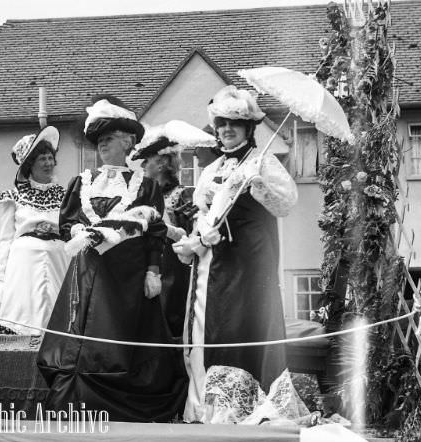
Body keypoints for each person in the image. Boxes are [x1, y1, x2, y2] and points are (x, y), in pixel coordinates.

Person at [36, 96, 188, 422]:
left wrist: (153, 271)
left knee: (123, 340)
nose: (103, 143)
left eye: (110, 136)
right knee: (79, 338)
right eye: (99, 138)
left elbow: (155, 232)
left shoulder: (145, 185)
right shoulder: (82, 182)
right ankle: (76, 402)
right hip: (89, 272)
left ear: (128, 141)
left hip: (129, 279)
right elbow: (67, 222)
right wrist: (80, 231)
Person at [173, 85, 298, 422]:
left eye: (234, 124)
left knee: (248, 322)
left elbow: (286, 204)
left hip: (251, 259)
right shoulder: (212, 170)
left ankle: (247, 405)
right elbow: (203, 210)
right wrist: (201, 232)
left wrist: (259, 184)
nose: (227, 130)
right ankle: (209, 405)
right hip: (215, 262)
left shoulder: (262, 160)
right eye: (221, 124)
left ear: (248, 128)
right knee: (212, 323)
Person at [131, 121, 214, 339]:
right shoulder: (140, 197)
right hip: (146, 264)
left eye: (146, 161)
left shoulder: (182, 195)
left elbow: (191, 233)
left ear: (160, 164)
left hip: (171, 270)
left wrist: (165, 227)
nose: (142, 167)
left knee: (169, 320)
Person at [0, 126, 69, 335]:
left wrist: (57, 228)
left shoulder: (67, 196)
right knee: (22, 319)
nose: (48, 163)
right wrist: (0, 280)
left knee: (59, 319)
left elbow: (74, 230)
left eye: (50, 158)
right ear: (29, 164)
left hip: (58, 263)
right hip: (23, 268)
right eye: (42, 158)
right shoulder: (15, 196)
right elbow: (5, 240)